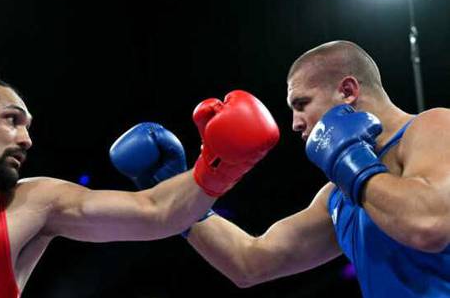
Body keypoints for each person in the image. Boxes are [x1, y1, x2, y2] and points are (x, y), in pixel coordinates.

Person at [116, 40, 450, 297]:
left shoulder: (433, 126)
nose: (294, 124)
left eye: (301, 104)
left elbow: (430, 224)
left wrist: (352, 161)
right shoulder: (338, 195)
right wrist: (180, 198)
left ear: (347, 91)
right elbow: (251, 262)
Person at [0, 75, 280, 297]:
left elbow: (155, 213)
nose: (26, 139)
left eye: (28, 127)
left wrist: (218, 166)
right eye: (11, 120)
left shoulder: (30, 201)